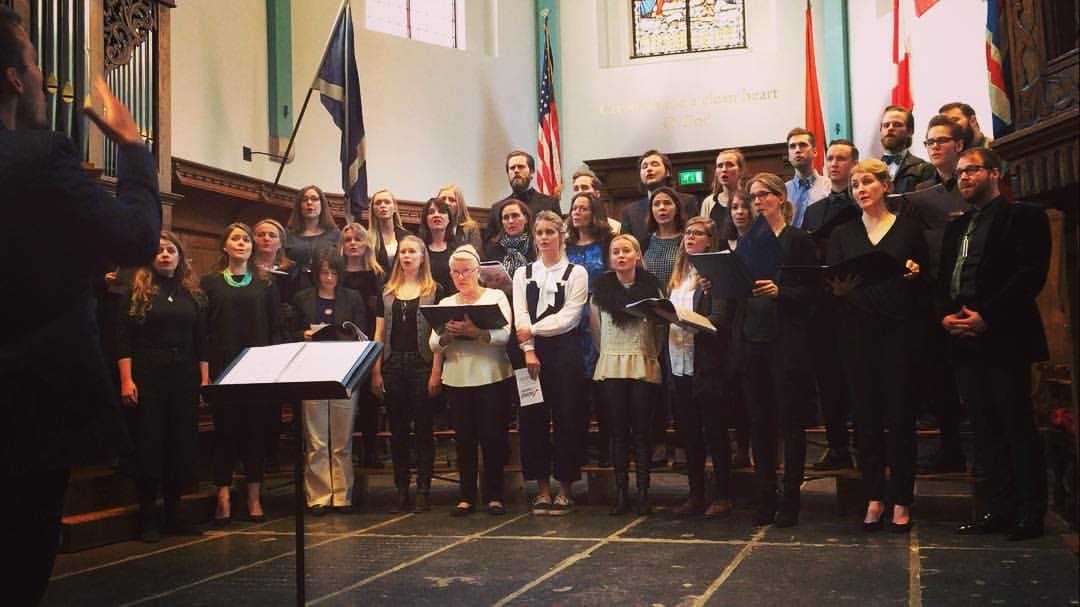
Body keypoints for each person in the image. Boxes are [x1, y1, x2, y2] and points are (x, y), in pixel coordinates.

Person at [1, 8, 160, 601]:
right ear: (16, 78)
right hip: (26, 408)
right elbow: (138, 238)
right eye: (39, 64)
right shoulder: (40, 158)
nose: (46, 78)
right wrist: (134, 147)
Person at [946, 148, 1050, 541]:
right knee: (985, 429)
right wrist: (947, 314)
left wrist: (986, 316)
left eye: (971, 170)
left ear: (994, 173)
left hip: (1005, 336)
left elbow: (1030, 276)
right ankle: (999, 509)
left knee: (1015, 425)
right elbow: (948, 279)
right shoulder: (958, 228)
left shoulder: (1025, 217)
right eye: (958, 174)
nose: (963, 178)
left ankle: (1030, 513)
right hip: (964, 338)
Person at [827, 159, 928, 534]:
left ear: (885, 185)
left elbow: (923, 281)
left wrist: (915, 277)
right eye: (855, 185)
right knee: (866, 420)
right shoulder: (843, 234)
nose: (860, 189)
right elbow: (832, 285)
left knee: (900, 419)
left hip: (897, 335)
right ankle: (873, 496)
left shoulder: (908, 229)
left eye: (867, 182)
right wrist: (837, 291)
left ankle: (902, 498)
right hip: (856, 336)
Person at [734, 175, 816, 527]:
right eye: (753, 197)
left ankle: (792, 500)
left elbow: (815, 292)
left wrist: (781, 291)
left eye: (764, 195)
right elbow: (738, 292)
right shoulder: (749, 242)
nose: (758, 202)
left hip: (785, 344)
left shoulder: (798, 240)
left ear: (781, 198)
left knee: (790, 424)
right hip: (752, 341)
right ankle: (765, 497)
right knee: (759, 423)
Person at [116, 232, 208, 543]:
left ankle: (174, 516)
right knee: (150, 442)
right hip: (148, 372)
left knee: (179, 444)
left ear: (180, 256)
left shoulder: (191, 294)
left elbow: (201, 341)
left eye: (171, 250)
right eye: (159, 251)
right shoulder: (138, 292)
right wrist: (127, 379)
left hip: (183, 373)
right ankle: (148, 519)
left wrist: (203, 378)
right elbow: (123, 340)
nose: (165, 255)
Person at [201, 223, 282, 526]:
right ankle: (223, 494)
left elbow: (275, 329)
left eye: (246, 239)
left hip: (258, 367)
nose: (242, 243)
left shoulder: (266, 284)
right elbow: (205, 332)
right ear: (225, 246)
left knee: (255, 435)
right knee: (226, 433)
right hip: (224, 368)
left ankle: (253, 497)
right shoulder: (210, 283)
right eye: (235, 239)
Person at [513, 211, 589, 515]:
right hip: (530, 352)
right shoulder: (523, 273)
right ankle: (542, 489)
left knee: (567, 417)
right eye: (539, 233)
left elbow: (570, 317)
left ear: (561, 235)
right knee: (533, 419)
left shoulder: (576, 272)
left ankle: (566, 489)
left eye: (550, 232)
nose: (544, 238)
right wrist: (528, 347)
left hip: (564, 351)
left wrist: (531, 330)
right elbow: (519, 312)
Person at [430, 246, 515, 516]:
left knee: (493, 437)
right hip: (458, 377)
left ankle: (494, 495)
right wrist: (448, 336)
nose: (460, 276)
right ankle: (466, 495)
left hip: (492, 375)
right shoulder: (445, 304)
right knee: (464, 440)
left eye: (466, 271)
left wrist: (476, 331)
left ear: (477, 271)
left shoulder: (496, 296)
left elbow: (504, 335)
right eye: (455, 272)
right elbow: (434, 343)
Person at [910, 115, 971, 474]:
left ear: (959, 146)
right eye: (929, 142)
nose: (934, 147)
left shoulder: (971, 186)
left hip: (971, 293)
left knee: (973, 379)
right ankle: (950, 448)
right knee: (939, 378)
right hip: (933, 295)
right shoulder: (921, 193)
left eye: (941, 141)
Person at [666, 217, 738, 519]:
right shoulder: (679, 275)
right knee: (689, 433)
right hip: (679, 361)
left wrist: (690, 318)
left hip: (707, 363)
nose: (690, 238)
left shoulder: (716, 274)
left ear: (710, 240)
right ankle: (695, 494)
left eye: (697, 234)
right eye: (688, 233)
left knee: (715, 432)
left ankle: (722, 495)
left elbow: (721, 318)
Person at [590, 234, 665, 515]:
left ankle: (644, 491)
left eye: (626, 251)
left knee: (642, 431)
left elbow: (660, 327)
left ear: (636, 255)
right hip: (612, 362)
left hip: (642, 360)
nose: (620, 256)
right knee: (618, 431)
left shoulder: (651, 287)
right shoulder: (601, 290)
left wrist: (649, 354)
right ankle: (622, 492)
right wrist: (608, 352)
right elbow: (596, 330)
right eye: (615, 252)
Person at [370, 235, 442, 512]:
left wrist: (436, 371)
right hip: (393, 364)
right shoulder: (387, 291)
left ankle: (424, 487)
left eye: (413, 251)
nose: (407, 256)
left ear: (423, 256)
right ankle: (401, 486)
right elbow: (378, 333)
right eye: (403, 252)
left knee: (424, 428)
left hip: (421, 363)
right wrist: (376, 369)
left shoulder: (435, 289)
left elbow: (439, 334)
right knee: (398, 429)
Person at [292, 250, 368, 515]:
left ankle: (342, 495)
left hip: (344, 371)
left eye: (333, 272)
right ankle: (319, 496)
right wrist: (301, 334)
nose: (328, 278)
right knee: (316, 438)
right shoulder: (302, 298)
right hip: (311, 371)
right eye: (324, 272)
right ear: (316, 273)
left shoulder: (352, 298)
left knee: (341, 438)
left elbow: (363, 333)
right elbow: (286, 332)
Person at [802, 140, 860, 472]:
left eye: (842, 159)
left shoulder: (862, 204)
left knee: (857, 381)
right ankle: (838, 446)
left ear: (854, 163)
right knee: (829, 383)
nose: (835, 164)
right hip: (822, 305)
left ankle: (864, 444)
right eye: (831, 159)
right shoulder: (813, 210)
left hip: (856, 302)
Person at [566, 192, 615, 466]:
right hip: (572, 323)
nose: (577, 213)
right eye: (574, 208)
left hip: (600, 318)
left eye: (583, 208)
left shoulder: (607, 243)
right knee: (577, 391)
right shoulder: (566, 246)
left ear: (594, 212)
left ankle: (608, 449)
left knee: (604, 388)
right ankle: (580, 448)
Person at [252, 218, 299, 471]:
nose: (266, 239)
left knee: (275, 401)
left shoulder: (291, 271)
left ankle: (272, 453)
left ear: (281, 241)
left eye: (272, 235)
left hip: (282, 337)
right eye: (261, 234)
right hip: (254, 336)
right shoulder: (246, 270)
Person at [340, 222, 386, 469]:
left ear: (367, 243)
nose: (353, 243)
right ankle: (347, 454)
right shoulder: (337, 274)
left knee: (370, 400)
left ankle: (371, 451)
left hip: (369, 340)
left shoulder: (377, 274)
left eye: (358, 239)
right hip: (340, 344)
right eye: (348, 240)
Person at [620, 149, 700, 245]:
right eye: (644, 167)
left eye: (654, 164)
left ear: (667, 172)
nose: (648, 169)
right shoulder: (629, 212)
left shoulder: (688, 202)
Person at [484, 150, 561, 242]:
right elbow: (489, 246)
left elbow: (559, 238)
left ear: (532, 172)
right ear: (508, 174)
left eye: (521, 167)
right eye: (512, 168)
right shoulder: (496, 208)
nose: (516, 170)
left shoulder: (550, 204)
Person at [285, 185, 341, 291]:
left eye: (314, 199)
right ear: (299, 206)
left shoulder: (335, 234)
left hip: (326, 288)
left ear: (322, 204)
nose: (309, 203)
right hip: (294, 287)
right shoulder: (288, 234)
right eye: (305, 200)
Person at [879, 105, 935, 196]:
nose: (890, 128)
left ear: (910, 131)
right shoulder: (869, 171)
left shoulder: (925, 169)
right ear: (880, 130)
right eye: (886, 125)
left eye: (897, 124)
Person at [483, 198, 535, 293]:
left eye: (515, 216)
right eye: (506, 218)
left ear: (526, 219)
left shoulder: (537, 245)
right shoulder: (493, 247)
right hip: (501, 297)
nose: (510, 221)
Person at [784, 128, 831, 228]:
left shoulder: (829, 188)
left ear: (815, 152)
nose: (797, 150)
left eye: (803, 145)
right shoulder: (782, 191)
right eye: (792, 146)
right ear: (788, 155)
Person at [642, 186, 686, 286]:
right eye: (656, 204)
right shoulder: (645, 243)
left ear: (677, 208)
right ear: (651, 211)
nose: (662, 208)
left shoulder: (687, 241)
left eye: (667, 203)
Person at [699, 148, 747, 240]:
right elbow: (704, 233)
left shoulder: (749, 198)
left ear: (740, 170)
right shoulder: (709, 202)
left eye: (730, 165)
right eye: (720, 166)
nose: (724, 169)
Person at [420, 197, 461, 296]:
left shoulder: (459, 249)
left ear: (449, 219)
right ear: (425, 219)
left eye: (442, 212)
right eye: (431, 212)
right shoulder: (418, 248)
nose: (436, 215)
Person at [368, 188, 412, 271]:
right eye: (378, 203)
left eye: (387, 202)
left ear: (395, 208)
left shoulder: (407, 237)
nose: (383, 206)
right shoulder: (367, 238)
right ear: (373, 210)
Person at [571, 168, 622, 234]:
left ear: (597, 193)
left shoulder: (615, 227)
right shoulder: (565, 229)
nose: (580, 192)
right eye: (576, 189)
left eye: (585, 188)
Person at [436, 183, 484, 253]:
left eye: (452, 200)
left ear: (459, 204)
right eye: (443, 199)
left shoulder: (470, 227)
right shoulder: (432, 224)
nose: (446, 203)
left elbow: (476, 256)